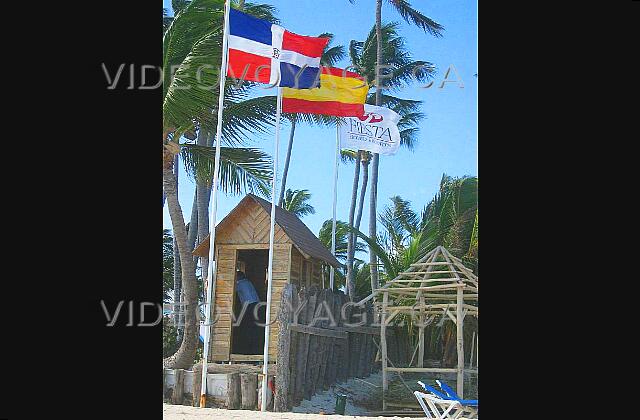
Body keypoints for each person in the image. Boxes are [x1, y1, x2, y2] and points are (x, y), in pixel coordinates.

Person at [235, 271, 260, 353]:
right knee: (254, 327)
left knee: (247, 327)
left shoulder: (240, 284)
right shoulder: (248, 282)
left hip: (250, 306)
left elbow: (231, 289)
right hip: (257, 305)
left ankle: (248, 349)